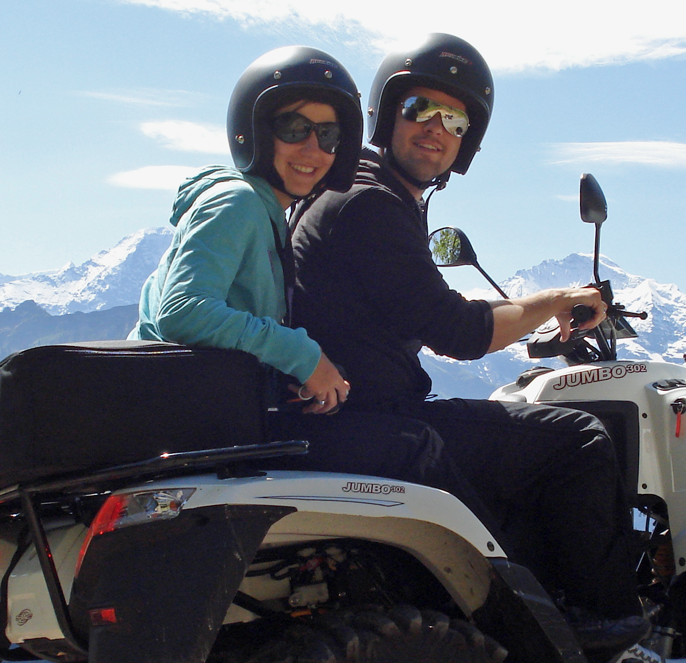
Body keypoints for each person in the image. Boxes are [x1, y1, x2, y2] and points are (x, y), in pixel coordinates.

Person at [290, 34, 686, 663]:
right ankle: (616, 643)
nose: (436, 129)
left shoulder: (351, 195)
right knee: (578, 442)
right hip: (376, 424)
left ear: (467, 140)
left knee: (509, 444)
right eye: (423, 107)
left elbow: (417, 309)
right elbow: (457, 330)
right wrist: (553, 301)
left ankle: (554, 622)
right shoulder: (372, 204)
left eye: (455, 119)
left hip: (353, 420)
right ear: (388, 111)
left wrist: (531, 315)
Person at [131, 46, 473, 500]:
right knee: (414, 447)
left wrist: (293, 377)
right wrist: (301, 354)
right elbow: (183, 312)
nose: (313, 150)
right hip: (185, 429)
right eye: (294, 129)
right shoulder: (238, 202)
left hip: (212, 420)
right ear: (253, 132)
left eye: (329, 135)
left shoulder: (270, 214)